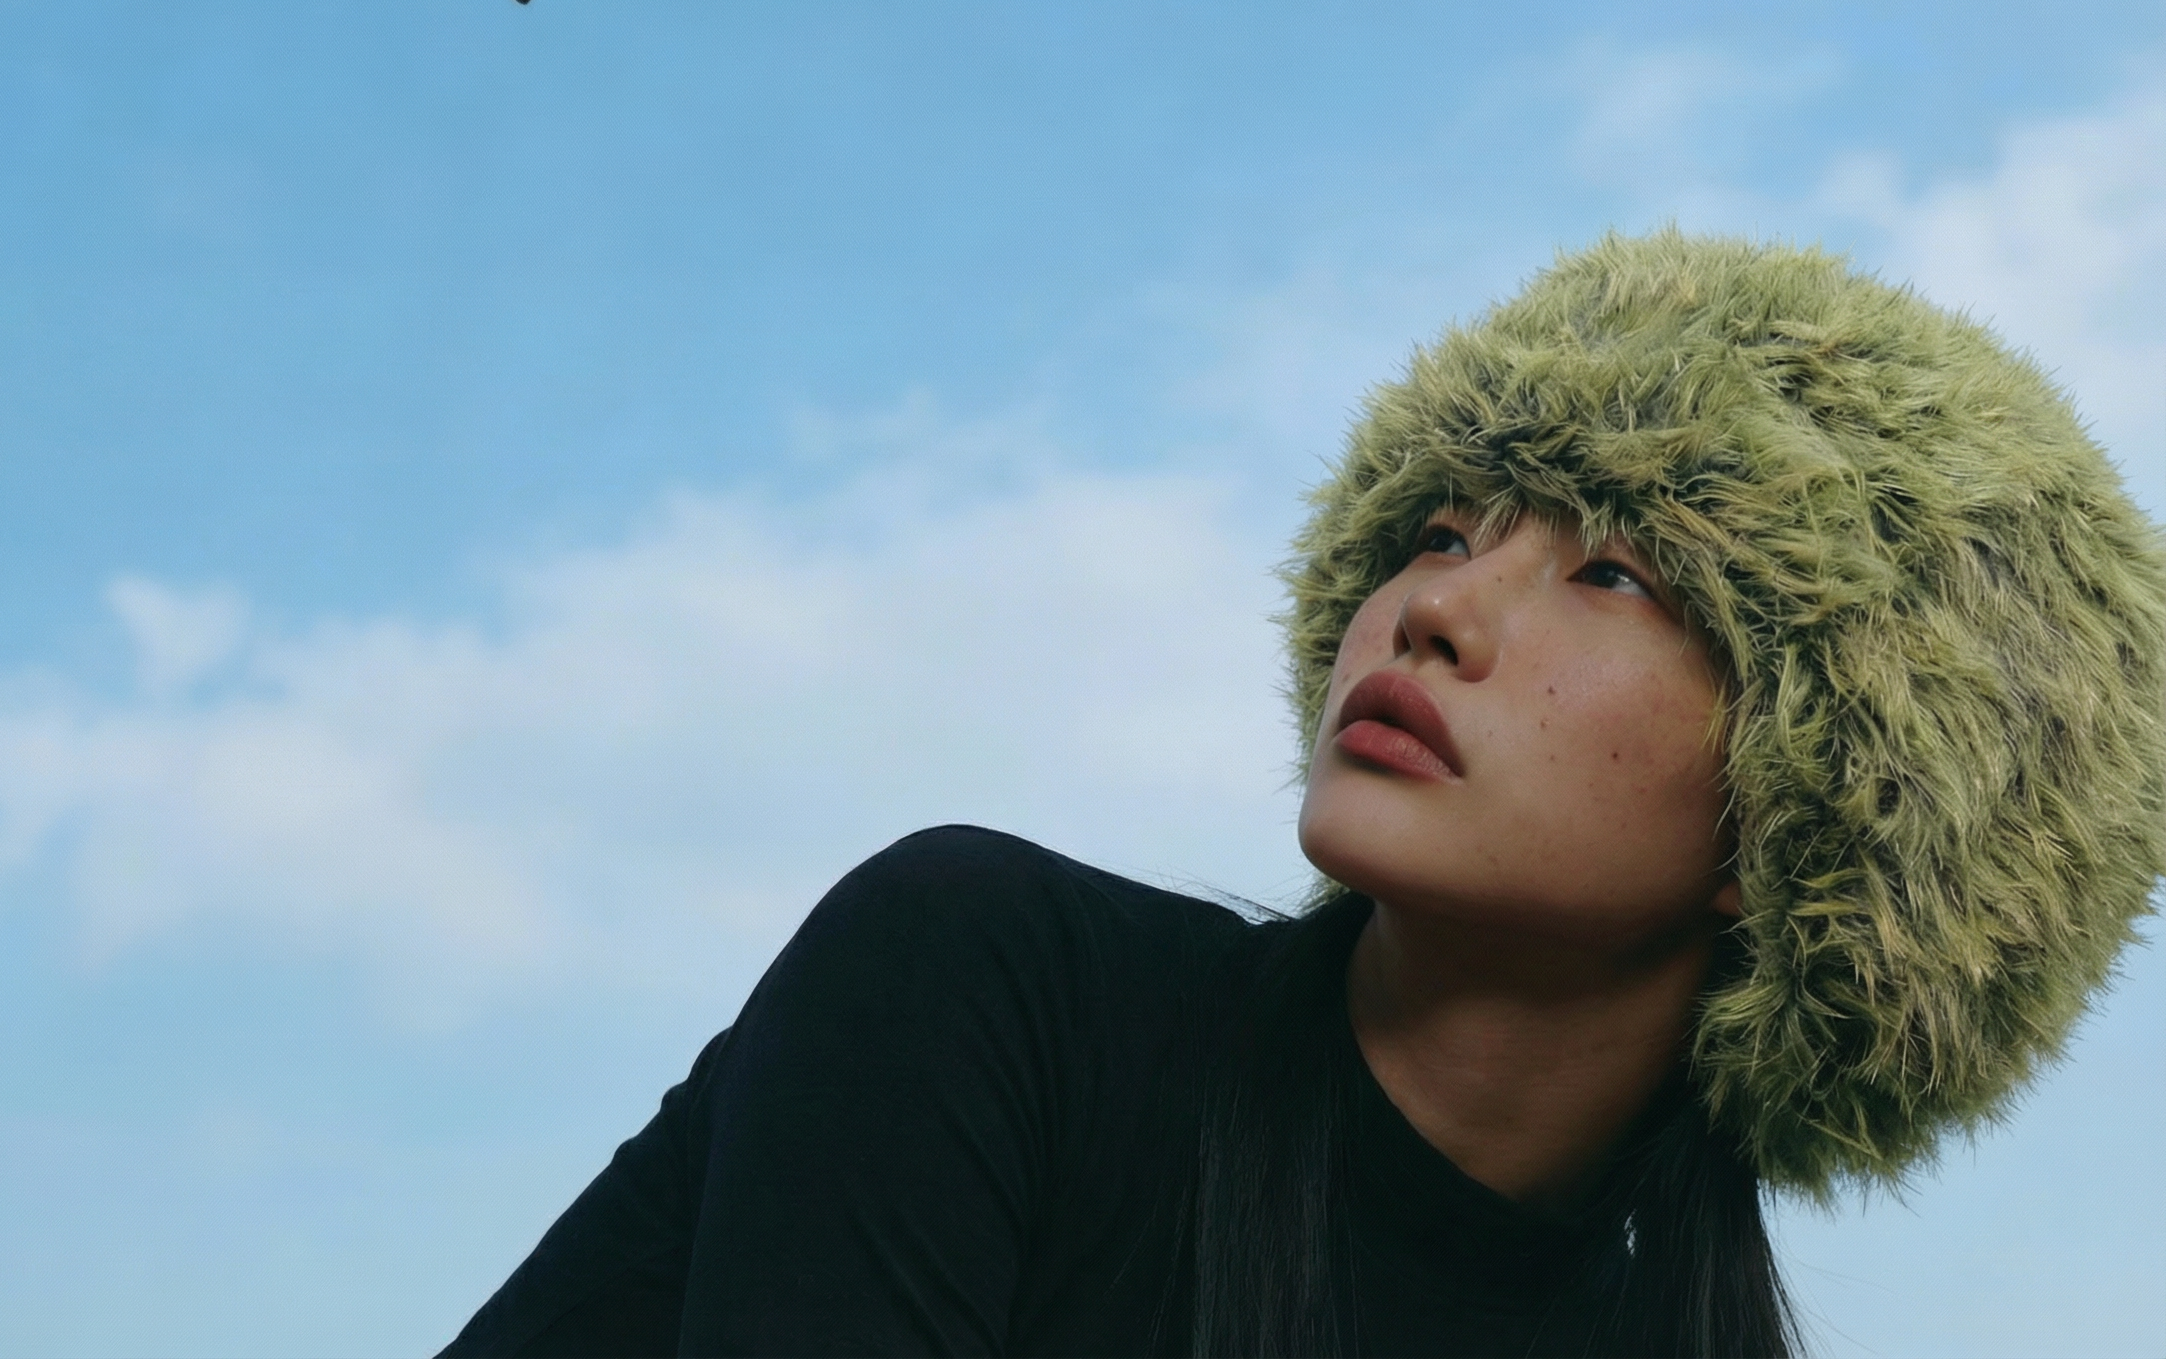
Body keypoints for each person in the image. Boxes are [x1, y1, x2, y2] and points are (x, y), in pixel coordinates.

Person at [438, 230, 2165, 1358]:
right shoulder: (988, 988)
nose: (1431, 608)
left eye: (1617, 577)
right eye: (1437, 535)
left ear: (1817, 824)